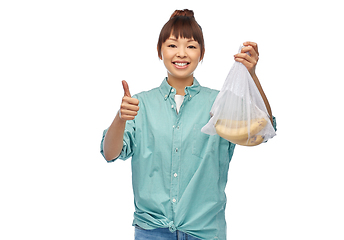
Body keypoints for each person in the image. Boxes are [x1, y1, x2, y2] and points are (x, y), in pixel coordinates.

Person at [100, 9, 276, 240]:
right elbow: (110, 153)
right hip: (152, 231)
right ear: (159, 51)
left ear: (202, 53)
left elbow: (264, 130)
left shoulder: (219, 103)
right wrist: (120, 118)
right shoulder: (140, 104)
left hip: (204, 232)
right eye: (172, 45)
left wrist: (252, 75)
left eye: (191, 46)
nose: (181, 53)